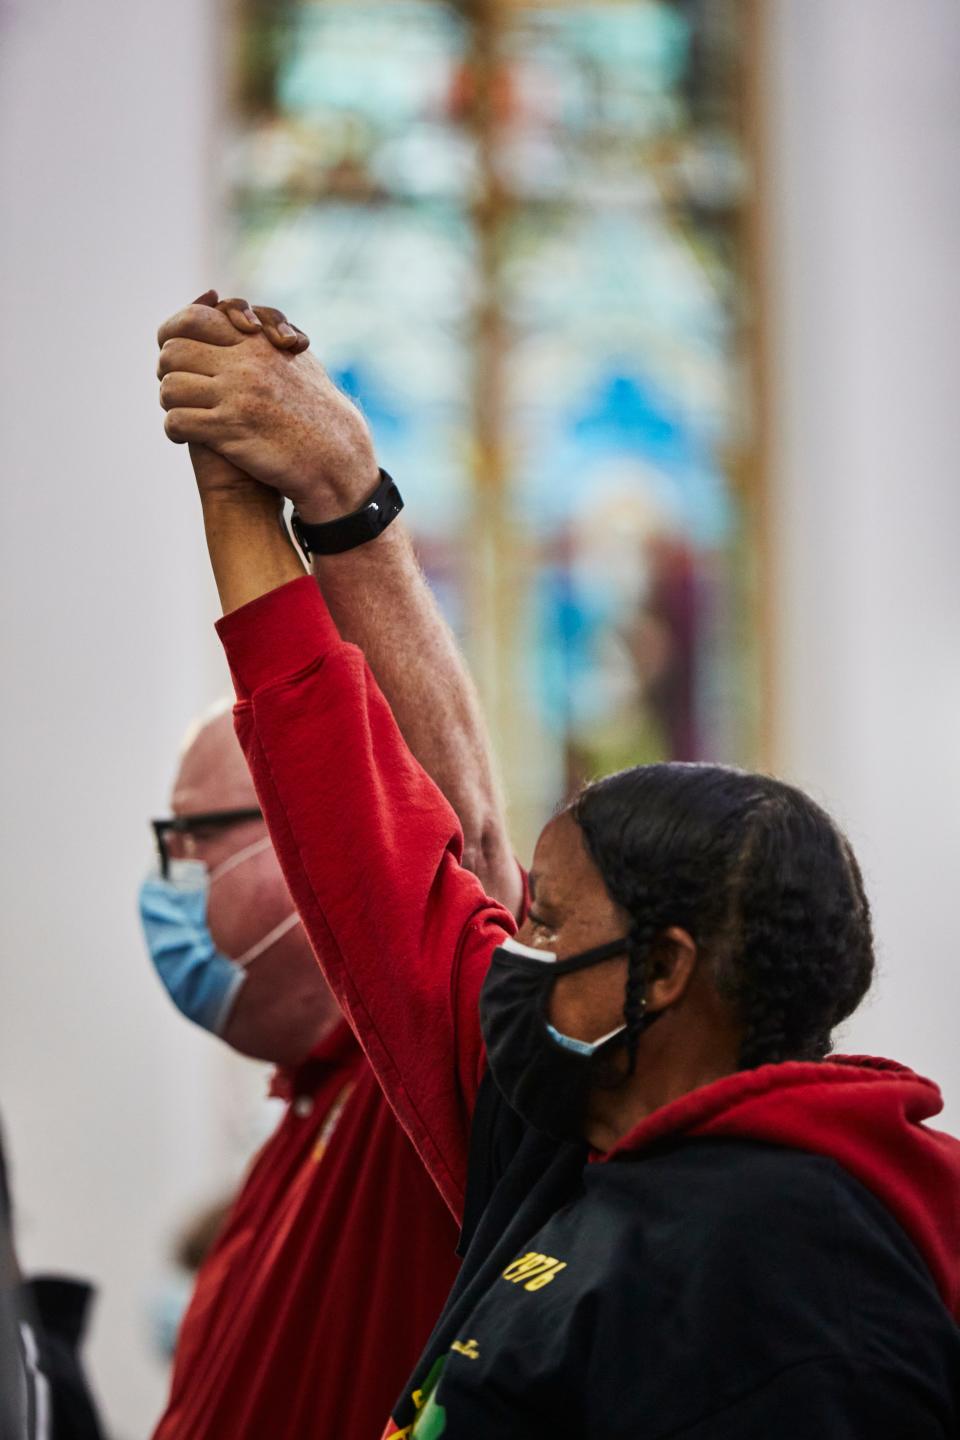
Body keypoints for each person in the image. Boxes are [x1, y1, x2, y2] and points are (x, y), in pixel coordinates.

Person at [156, 302, 960, 1438]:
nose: (508, 950)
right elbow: (367, 838)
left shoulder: (807, 1268)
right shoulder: (562, 1124)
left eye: (546, 927)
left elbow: (455, 843)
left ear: (663, 970)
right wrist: (246, 500)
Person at [144, 301, 523, 1440]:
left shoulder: (414, 1096)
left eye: (189, 839)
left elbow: (461, 840)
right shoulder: (302, 1120)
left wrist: (344, 500)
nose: (167, 884)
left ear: (297, 827)